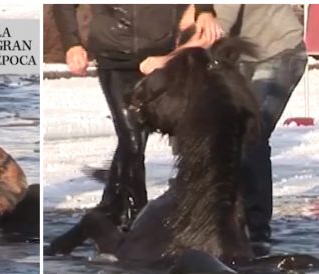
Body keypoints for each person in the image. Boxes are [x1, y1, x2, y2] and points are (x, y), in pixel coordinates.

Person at [53, 4, 220, 230]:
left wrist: (204, 10)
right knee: (132, 139)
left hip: (161, 55)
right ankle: (136, 217)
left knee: (135, 136)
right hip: (113, 57)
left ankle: (110, 206)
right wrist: (72, 44)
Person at [216, 5, 307, 246]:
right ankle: (229, 221)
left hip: (278, 51)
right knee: (225, 137)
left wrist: (170, 57)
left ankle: (257, 231)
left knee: (251, 134)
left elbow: (217, 24)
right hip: (237, 58)